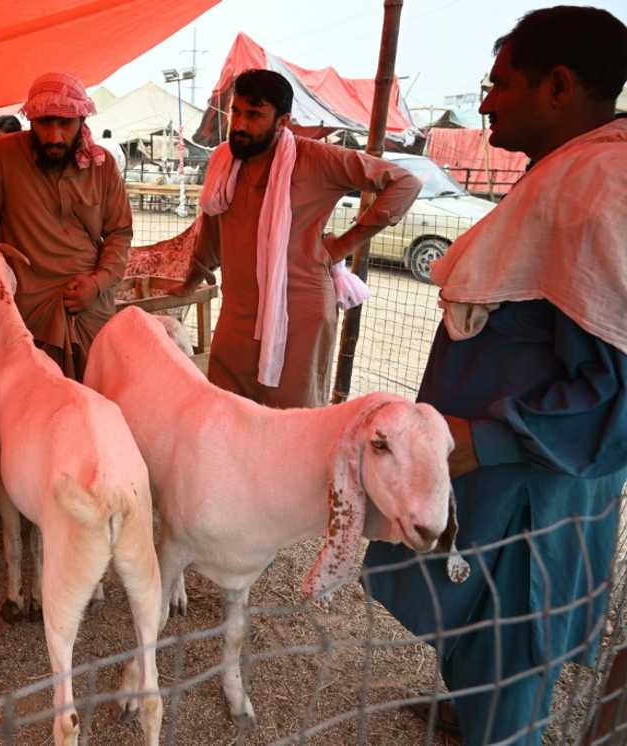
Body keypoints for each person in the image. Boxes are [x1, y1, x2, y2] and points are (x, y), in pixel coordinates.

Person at [362, 7, 627, 744]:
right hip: (501, 478)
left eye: (500, 83)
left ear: (559, 86)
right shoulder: (569, 177)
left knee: (517, 643)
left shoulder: (597, 192)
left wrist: (482, 439)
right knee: (478, 618)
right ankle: (474, 712)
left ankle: (501, 729)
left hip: (535, 492)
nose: (484, 101)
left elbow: (616, 392)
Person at [174, 69, 421, 408]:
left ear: (283, 121)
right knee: (226, 410)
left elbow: (405, 184)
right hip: (238, 311)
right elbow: (212, 229)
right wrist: (188, 283)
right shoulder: (224, 162)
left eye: (255, 115)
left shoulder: (316, 158)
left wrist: (343, 245)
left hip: (299, 314)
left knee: (291, 419)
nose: (241, 125)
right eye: (237, 112)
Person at [0, 72, 132, 380]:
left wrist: (96, 284)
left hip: (89, 309)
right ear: (31, 119)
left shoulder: (103, 166)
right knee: (29, 408)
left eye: (65, 123)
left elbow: (119, 234)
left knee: (96, 404)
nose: (54, 136)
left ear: (82, 121)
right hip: (24, 315)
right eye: (45, 123)